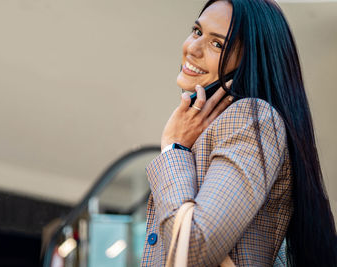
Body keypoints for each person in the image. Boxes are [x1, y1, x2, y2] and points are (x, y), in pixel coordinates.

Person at [142, 0, 337, 266]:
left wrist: (174, 148)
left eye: (217, 44)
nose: (193, 48)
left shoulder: (253, 119)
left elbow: (193, 250)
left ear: (249, 61)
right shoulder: (217, 127)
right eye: (197, 31)